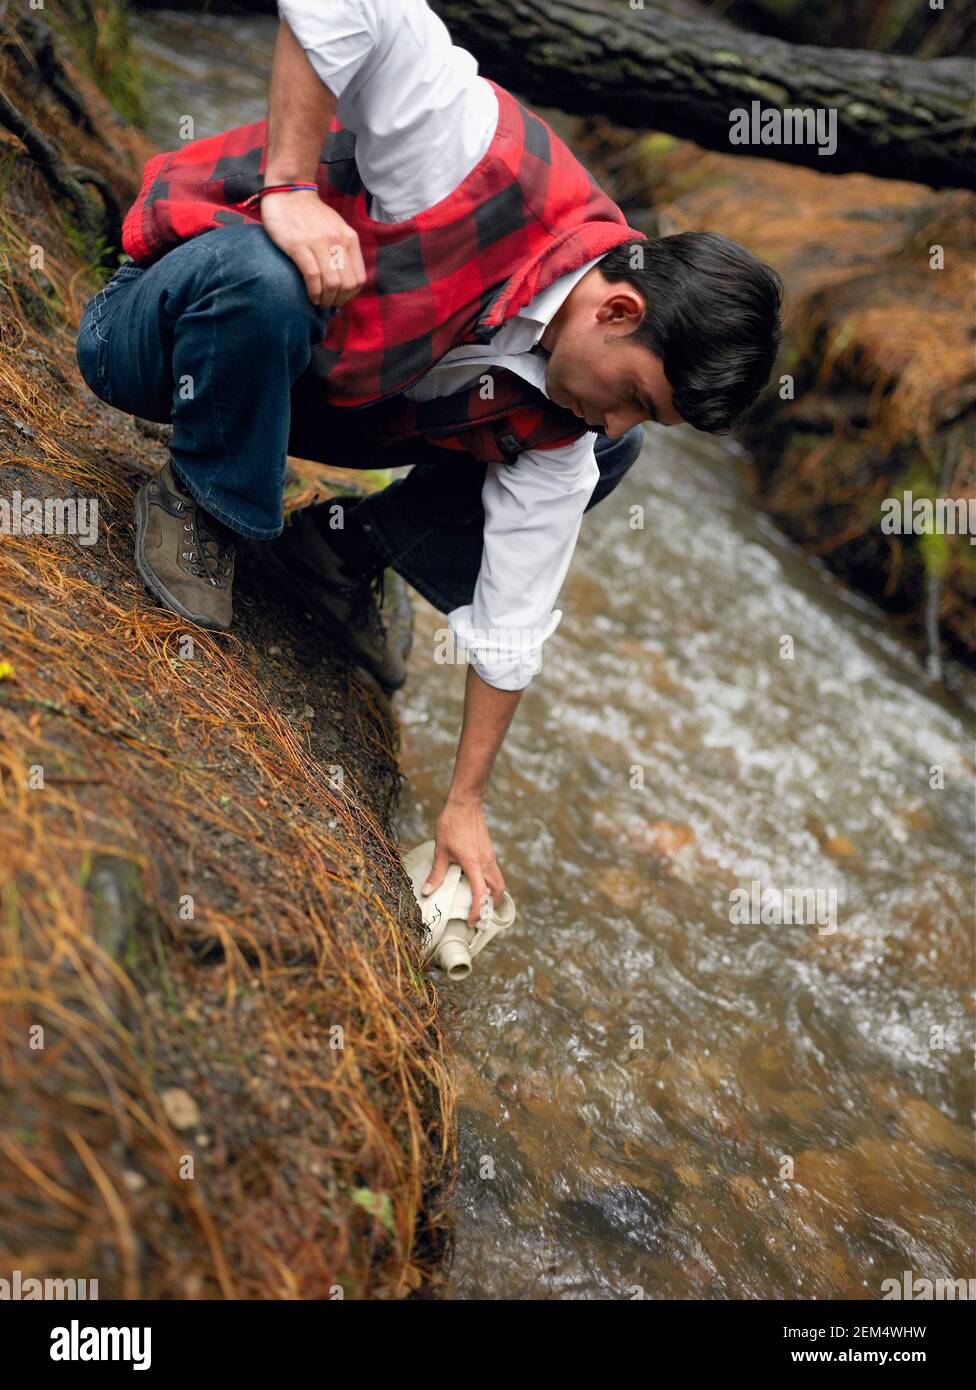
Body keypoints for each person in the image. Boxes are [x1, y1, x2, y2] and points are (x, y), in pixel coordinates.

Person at [75, 0, 783, 927]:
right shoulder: (469, 148)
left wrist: (464, 803)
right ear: (615, 312)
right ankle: (203, 502)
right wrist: (288, 189)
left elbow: (516, 619)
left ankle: (336, 554)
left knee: (607, 463)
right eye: (634, 394)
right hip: (160, 331)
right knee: (266, 278)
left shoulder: (578, 418)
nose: (611, 418)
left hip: (329, 388)